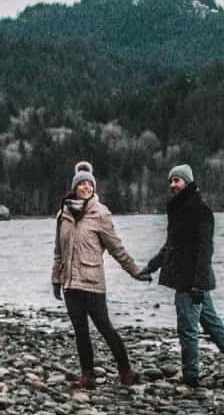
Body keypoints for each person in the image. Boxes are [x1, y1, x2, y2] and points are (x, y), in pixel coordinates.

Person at [142, 163, 224, 388]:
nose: (173, 185)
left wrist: (198, 285)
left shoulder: (200, 211)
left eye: (177, 180)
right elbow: (170, 246)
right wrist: (150, 267)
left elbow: (205, 250)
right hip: (190, 280)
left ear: (188, 182)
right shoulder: (178, 210)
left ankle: (191, 378)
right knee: (213, 325)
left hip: (191, 282)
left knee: (187, 330)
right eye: (171, 181)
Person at [51, 161, 150, 388]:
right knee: (80, 331)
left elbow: (116, 248)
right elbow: (58, 252)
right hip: (70, 284)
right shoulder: (63, 215)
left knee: (105, 327)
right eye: (81, 184)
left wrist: (135, 271)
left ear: (93, 188)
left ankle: (125, 371)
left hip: (93, 282)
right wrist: (56, 280)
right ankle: (87, 374)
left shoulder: (100, 214)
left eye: (89, 184)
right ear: (74, 187)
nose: (86, 187)